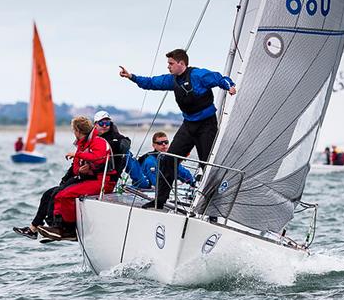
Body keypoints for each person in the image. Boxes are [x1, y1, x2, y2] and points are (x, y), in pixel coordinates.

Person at [119, 48, 235, 208]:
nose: (168, 66)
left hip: (206, 125)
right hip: (188, 125)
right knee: (169, 161)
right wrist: (132, 77)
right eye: (168, 63)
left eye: (171, 63)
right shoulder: (172, 79)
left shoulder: (198, 75)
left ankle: (214, 206)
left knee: (207, 166)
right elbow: (151, 83)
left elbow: (219, 78)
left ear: (181, 63)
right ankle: (159, 201)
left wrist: (229, 86)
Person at [37, 116, 116, 240]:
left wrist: (77, 154)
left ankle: (69, 229)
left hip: (104, 182)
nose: (74, 133)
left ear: (78, 130)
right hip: (92, 179)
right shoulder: (82, 145)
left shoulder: (98, 141)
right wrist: (81, 170)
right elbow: (75, 169)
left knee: (65, 195)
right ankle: (58, 227)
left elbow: (98, 157)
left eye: (74, 130)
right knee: (59, 195)